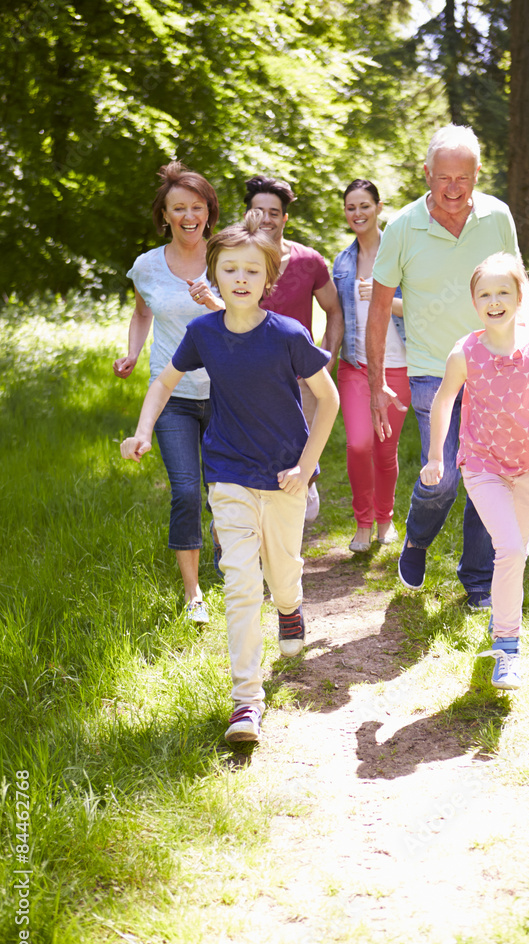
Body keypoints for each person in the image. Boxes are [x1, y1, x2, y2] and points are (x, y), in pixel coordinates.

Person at [120, 211, 339, 742]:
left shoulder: (288, 334)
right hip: (228, 472)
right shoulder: (203, 333)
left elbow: (327, 400)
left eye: (251, 271)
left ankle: (290, 608)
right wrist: (143, 430)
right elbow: (163, 382)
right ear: (214, 277)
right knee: (241, 584)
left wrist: (305, 469)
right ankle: (246, 702)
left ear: (268, 281)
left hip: (284, 476)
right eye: (230, 270)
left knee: (282, 570)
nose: (240, 279)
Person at [366, 123, 521, 603]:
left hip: (494, 366)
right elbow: (377, 308)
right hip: (434, 369)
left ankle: (476, 579)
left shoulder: (498, 216)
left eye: (464, 178)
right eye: (443, 177)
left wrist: (528, 353)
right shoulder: (402, 227)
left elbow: (520, 285)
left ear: (477, 173)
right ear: (427, 173)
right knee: (446, 477)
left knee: (487, 477)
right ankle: (416, 538)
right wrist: (375, 383)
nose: (453, 189)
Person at [420, 253, 529, 689]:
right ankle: (508, 649)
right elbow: (443, 402)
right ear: (474, 302)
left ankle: (502, 620)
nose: (494, 301)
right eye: (485, 294)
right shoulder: (465, 351)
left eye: (503, 292)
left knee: (517, 551)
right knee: (508, 547)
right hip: (482, 462)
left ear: (519, 296)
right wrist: (436, 456)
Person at [114, 161, 223, 624]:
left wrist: (214, 303)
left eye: (197, 207)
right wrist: (134, 352)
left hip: (225, 392)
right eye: (179, 208)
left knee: (224, 489)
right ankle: (193, 593)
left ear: (209, 212)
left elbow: (249, 319)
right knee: (185, 491)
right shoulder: (147, 267)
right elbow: (143, 313)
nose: (188, 215)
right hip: (172, 392)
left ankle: (235, 561)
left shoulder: (227, 256)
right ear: (165, 214)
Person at [243, 174, 344, 522]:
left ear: (285, 218)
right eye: (260, 211)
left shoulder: (309, 261)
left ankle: (304, 490)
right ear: (248, 216)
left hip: (300, 378)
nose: (267, 218)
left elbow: (334, 310)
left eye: (274, 212)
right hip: (246, 377)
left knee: (299, 455)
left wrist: (325, 360)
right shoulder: (237, 261)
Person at [333, 179, 411, 552]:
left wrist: (384, 300)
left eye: (364, 205)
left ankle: (385, 520)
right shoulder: (343, 262)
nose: (358, 213)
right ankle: (363, 522)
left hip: (398, 366)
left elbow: (421, 308)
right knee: (359, 444)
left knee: (385, 447)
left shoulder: (401, 254)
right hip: (355, 366)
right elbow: (337, 317)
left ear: (379, 207)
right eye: (351, 207)